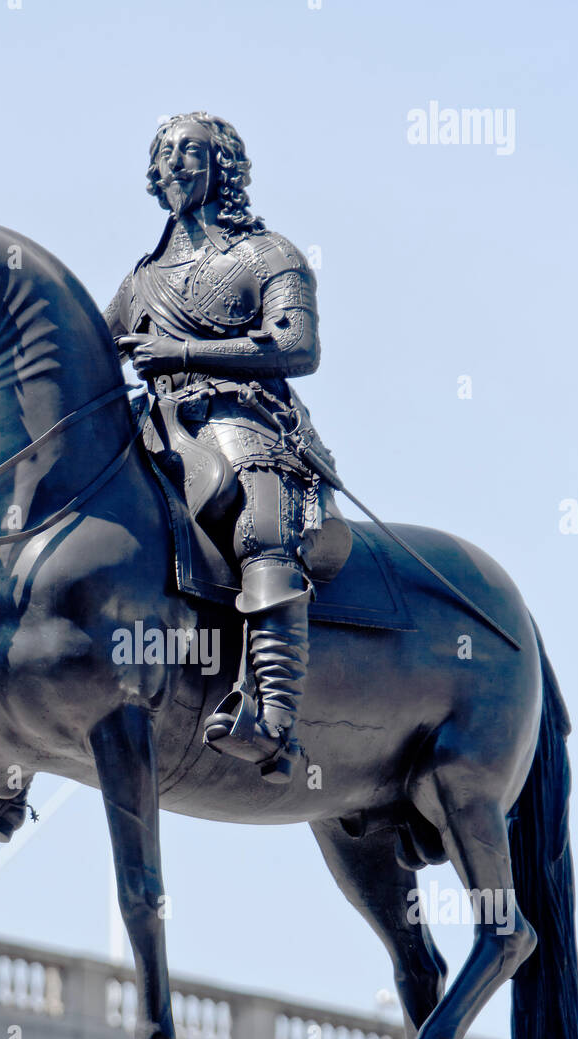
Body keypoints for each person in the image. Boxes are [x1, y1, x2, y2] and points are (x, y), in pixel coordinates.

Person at [105, 111, 350, 782]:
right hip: (157, 427)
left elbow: (298, 348)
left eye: (191, 151)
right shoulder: (139, 280)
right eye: (165, 154)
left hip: (247, 422)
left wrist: (178, 350)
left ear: (224, 167)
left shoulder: (267, 254)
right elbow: (94, 359)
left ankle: (272, 720)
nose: (175, 164)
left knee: (257, 525)